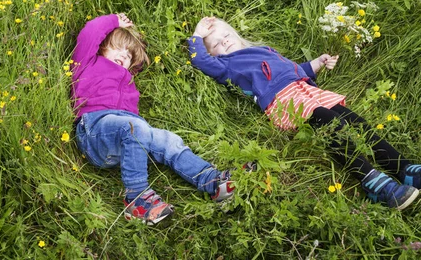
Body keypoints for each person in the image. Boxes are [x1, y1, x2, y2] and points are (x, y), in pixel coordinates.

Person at [187, 16, 421, 210]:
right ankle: (372, 181)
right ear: (213, 54)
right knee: (327, 121)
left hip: (306, 90)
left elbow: (294, 69)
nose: (224, 43)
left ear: (234, 34)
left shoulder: (264, 50)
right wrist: (197, 34)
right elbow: (200, 61)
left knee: (354, 121)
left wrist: (316, 63)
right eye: (216, 44)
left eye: (225, 36)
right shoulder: (226, 66)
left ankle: (402, 167)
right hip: (284, 101)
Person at [71, 13, 238, 225]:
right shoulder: (88, 63)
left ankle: (212, 181)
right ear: (103, 46)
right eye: (119, 47)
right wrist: (115, 21)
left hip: (125, 137)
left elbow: (136, 63)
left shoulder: (128, 80)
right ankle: (137, 199)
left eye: (129, 55)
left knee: (168, 140)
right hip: (94, 129)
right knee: (135, 126)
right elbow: (90, 32)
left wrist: (136, 48)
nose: (124, 55)